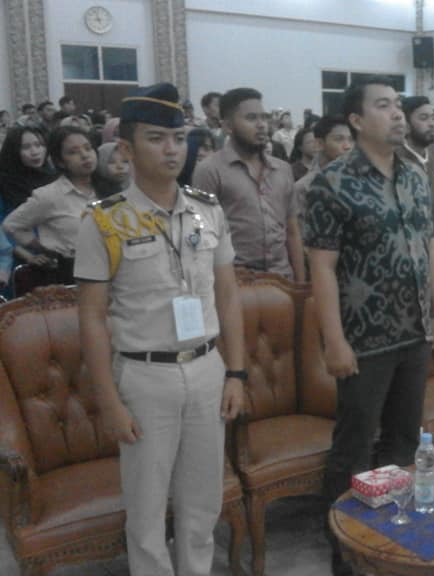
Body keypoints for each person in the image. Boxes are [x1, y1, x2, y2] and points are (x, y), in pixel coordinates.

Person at [74, 83, 245, 576]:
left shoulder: (207, 210)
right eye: (156, 138)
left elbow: (228, 295)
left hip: (207, 368)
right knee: (147, 509)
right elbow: (91, 317)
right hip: (145, 376)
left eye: (178, 137)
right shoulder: (104, 222)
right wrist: (109, 401)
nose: (172, 149)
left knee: (203, 503)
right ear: (126, 150)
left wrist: (236, 373)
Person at [304, 76, 434, 576]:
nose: (397, 114)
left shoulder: (413, 174)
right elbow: (322, 268)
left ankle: (392, 541)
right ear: (357, 120)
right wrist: (334, 340)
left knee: (404, 442)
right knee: (354, 449)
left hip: (415, 334)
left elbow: (428, 248)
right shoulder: (332, 182)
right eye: (383, 106)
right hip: (363, 340)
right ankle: (345, 554)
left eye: (398, 105)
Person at [192, 87, 305, 282]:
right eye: (251, 118)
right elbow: (201, 237)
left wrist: (301, 284)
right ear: (227, 126)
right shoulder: (208, 171)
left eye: (264, 117)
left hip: (283, 280)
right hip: (235, 282)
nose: (261, 125)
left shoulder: (283, 169)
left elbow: (293, 232)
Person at [3, 126, 99, 286]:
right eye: (73, 152)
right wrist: (41, 248)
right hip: (72, 273)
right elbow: (11, 225)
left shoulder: (109, 188)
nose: (84, 155)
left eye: (88, 148)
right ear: (60, 161)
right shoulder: (49, 194)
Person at [398, 96, 434, 239]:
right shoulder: (394, 159)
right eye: (424, 118)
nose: (432, 124)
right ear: (406, 125)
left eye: (433, 118)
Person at [0, 126, 56, 219]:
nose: (35, 152)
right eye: (26, 147)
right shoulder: (4, 183)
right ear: (13, 151)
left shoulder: (54, 177)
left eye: (39, 145)